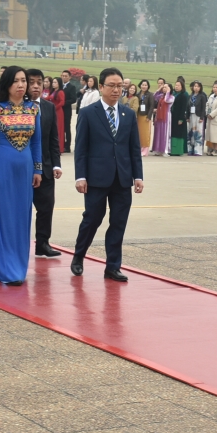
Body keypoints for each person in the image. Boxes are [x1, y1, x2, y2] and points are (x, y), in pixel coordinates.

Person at [71, 67, 144, 282]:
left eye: (120, 86)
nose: (116, 90)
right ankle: (78, 256)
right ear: (101, 87)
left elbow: (133, 148)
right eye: (111, 85)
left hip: (122, 178)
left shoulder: (128, 114)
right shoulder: (88, 113)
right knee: (92, 219)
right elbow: (81, 148)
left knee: (118, 222)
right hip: (96, 178)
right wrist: (80, 176)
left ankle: (112, 266)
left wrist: (138, 176)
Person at [0, 67, 42, 284]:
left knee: (21, 217)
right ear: (7, 84)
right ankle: (5, 268)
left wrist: (38, 169)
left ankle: (18, 266)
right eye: (16, 81)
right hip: (3, 169)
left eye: (24, 81)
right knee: (4, 216)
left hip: (25, 170)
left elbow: (36, 142)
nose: (21, 85)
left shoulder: (33, 109)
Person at [26, 69, 63, 259]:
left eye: (39, 82)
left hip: (46, 167)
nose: (35, 86)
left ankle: (43, 243)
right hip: (23, 168)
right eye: (31, 82)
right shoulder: (16, 107)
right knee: (23, 210)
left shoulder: (48, 107)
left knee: (46, 208)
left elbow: (53, 139)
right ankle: (20, 245)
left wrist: (56, 164)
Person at [151, 84, 173, 156]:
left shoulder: (172, 97)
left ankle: (165, 150)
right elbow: (153, 97)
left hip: (166, 117)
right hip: (159, 116)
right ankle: (158, 149)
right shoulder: (160, 96)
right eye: (164, 87)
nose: (164, 88)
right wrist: (159, 89)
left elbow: (166, 100)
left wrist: (168, 92)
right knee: (158, 133)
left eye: (166, 87)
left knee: (165, 133)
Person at [47, 76, 67, 154]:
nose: (53, 84)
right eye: (53, 82)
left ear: (59, 84)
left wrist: (54, 108)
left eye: (55, 82)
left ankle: (59, 148)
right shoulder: (52, 92)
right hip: (53, 111)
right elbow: (48, 98)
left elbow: (62, 102)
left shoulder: (60, 92)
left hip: (58, 112)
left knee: (59, 130)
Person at [205, 82, 217, 156]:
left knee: (216, 135)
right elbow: (207, 104)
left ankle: (216, 150)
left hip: (216, 118)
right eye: (214, 87)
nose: (215, 89)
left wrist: (211, 114)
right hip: (210, 118)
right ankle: (212, 149)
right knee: (211, 135)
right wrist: (207, 112)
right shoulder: (211, 96)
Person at [188, 81, 207, 156]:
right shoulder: (191, 96)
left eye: (198, 86)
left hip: (198, 116)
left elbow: (203, 108)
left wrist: (202, 117)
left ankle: (198, 150)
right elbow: (187, 106)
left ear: (200, 88)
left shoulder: (202, 96)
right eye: (195, 86)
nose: (196, 88)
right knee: (191, 131)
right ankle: (190, 149)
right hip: (191, 115)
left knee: (198, 132)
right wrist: (187, 116)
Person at [171, 80, 189, 156]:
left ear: (182, 87)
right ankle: (173, 149)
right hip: (173, 116)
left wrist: (181, 119)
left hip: (179, 117)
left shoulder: (183, 96)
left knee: (179, 134)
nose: (176, 87)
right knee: (173, 133)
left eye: (178, 85)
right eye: (176, 85)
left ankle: (178, 150)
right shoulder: (173, 94)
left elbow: (183, 108)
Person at [136, 79, 153, 156]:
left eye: (145, 85)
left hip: (145, 116)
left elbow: (151, 106)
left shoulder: (150, 95)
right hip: (138, 115)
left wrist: (149, 116)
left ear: (148, 86)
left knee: (145, 133)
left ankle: (145, 149)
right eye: (143, 85)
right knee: (139, 132)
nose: (144, 86)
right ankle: (139, 147)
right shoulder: (137, 94)